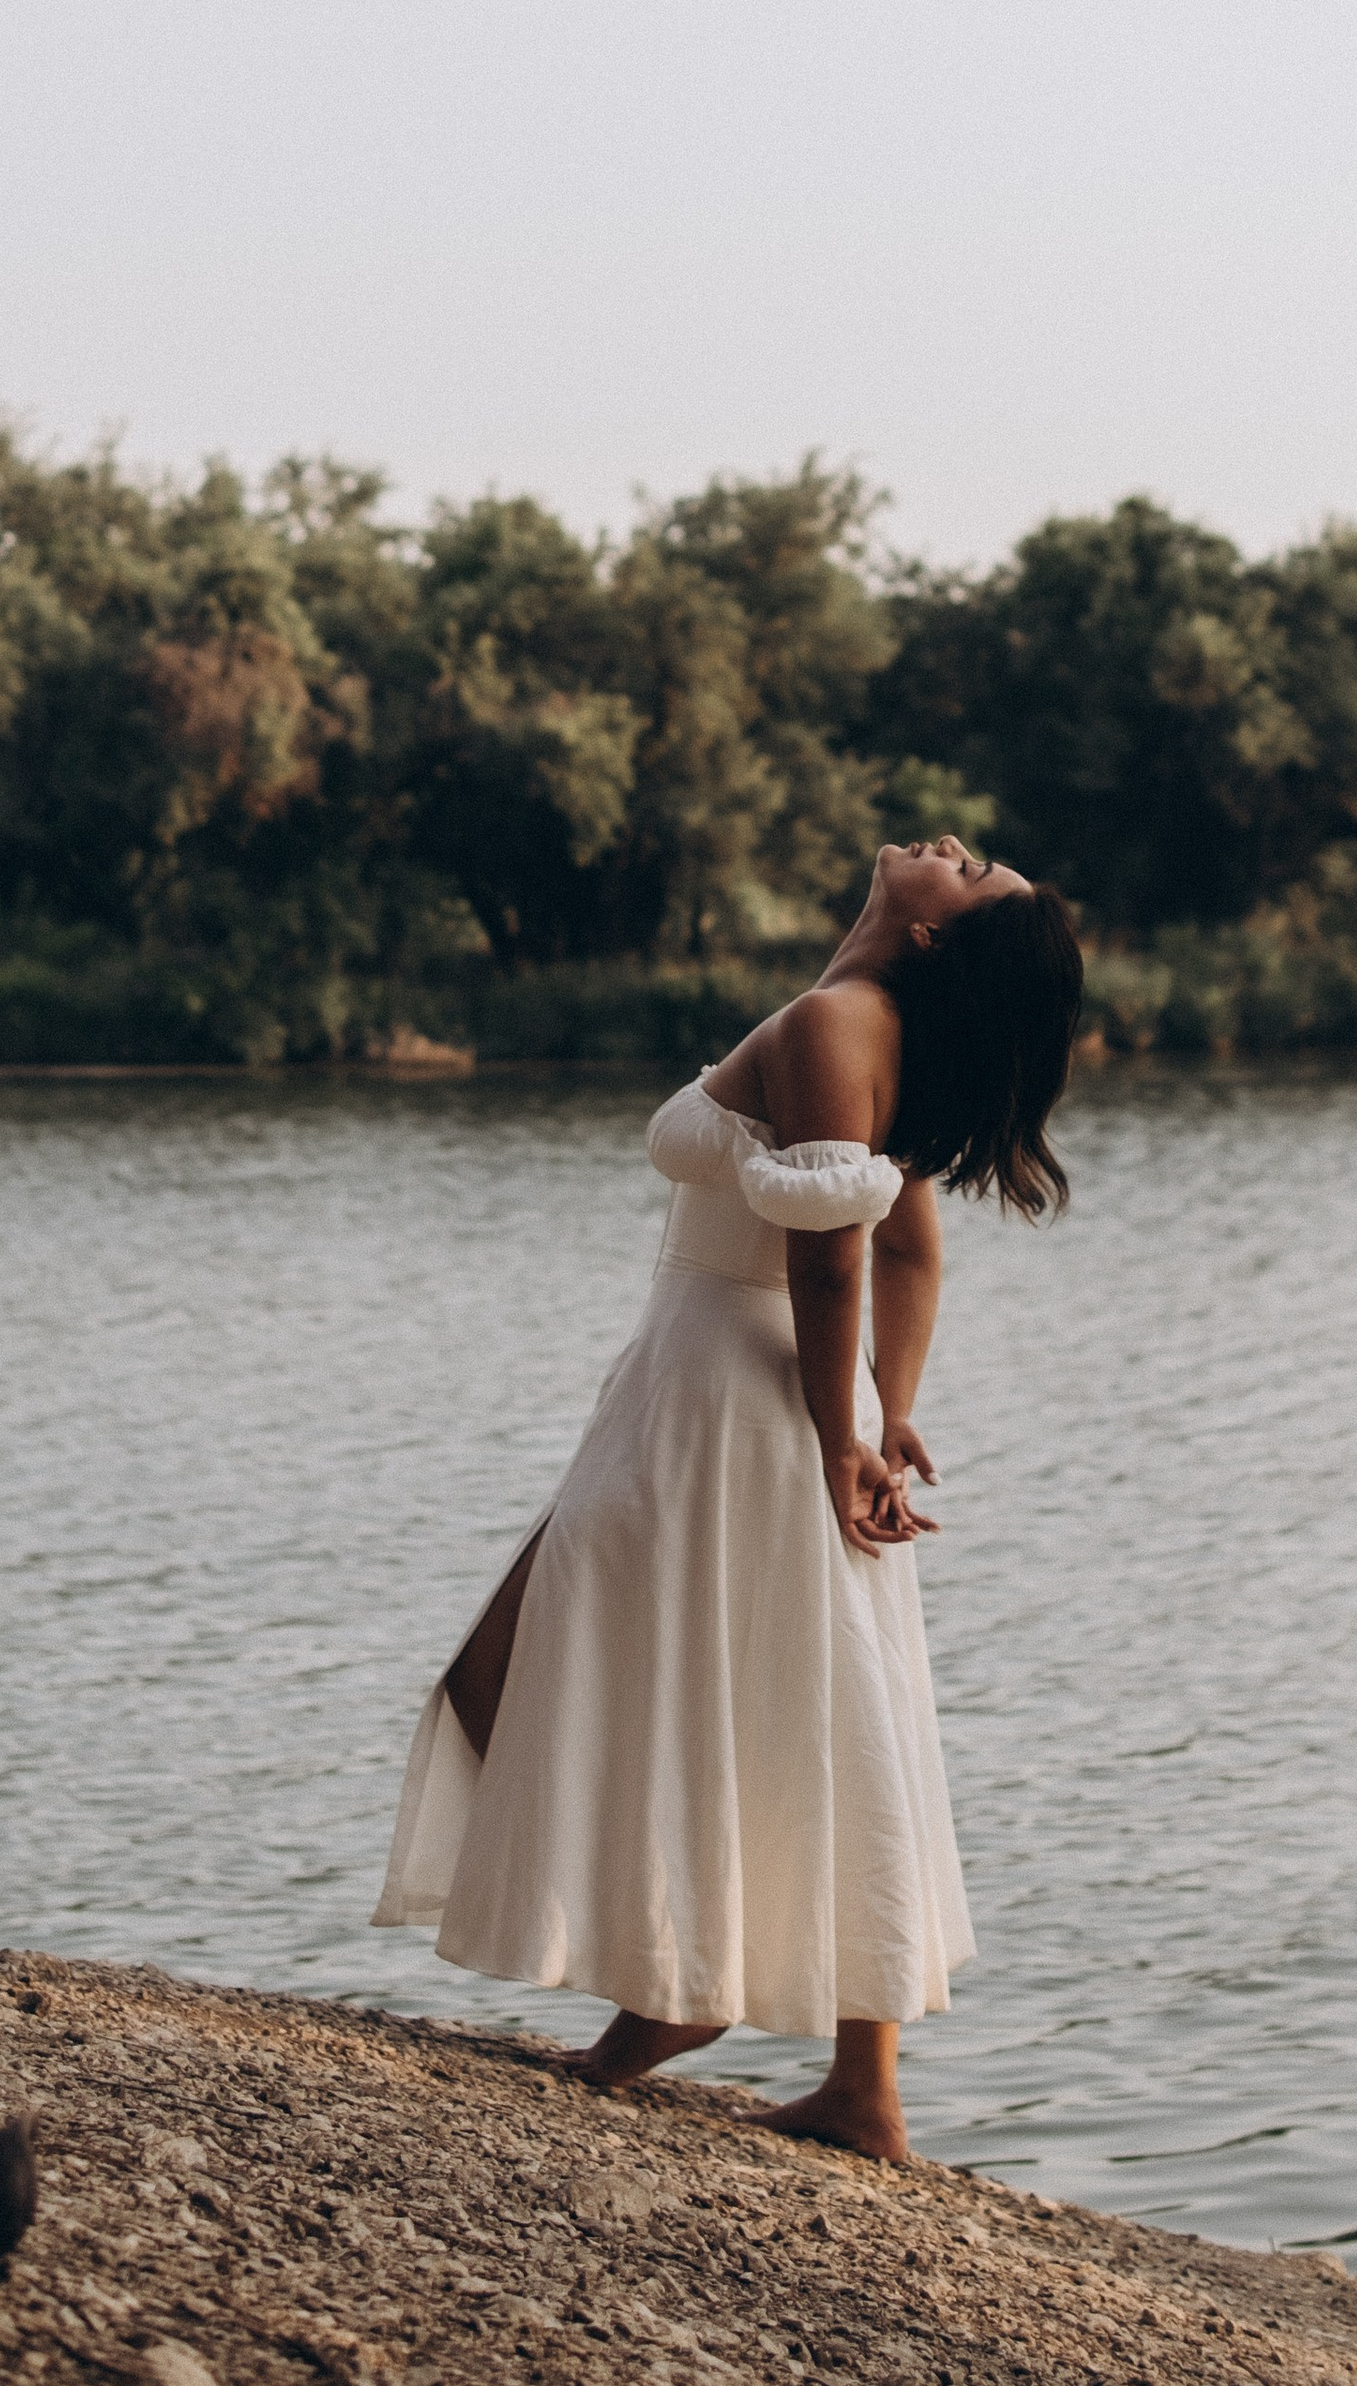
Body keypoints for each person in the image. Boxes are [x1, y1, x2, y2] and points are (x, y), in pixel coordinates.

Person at [372, 833, 1083, 2161]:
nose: (955, 847)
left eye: (973, 872)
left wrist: (844, 1435)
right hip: (758, 1393)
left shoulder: (839, 1022)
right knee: (814, 1692)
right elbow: (909, 1249)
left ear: (935, 934)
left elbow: (840, 1266)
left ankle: (684, 1998)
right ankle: (819, 2064)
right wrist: (887, 1407)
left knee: (520, 1668)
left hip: (738, 1397)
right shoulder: (861, 1014)